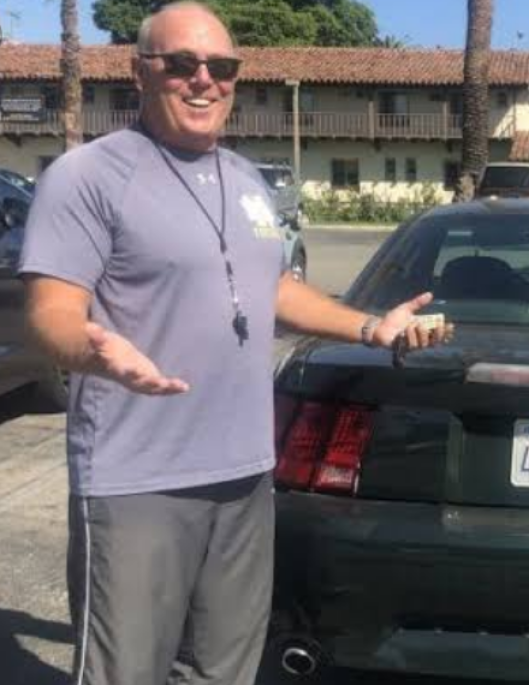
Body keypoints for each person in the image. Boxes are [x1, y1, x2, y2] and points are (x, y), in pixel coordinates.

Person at [18, 3, 450, 684]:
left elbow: (273, 288)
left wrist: (370, 326)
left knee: (224, 670)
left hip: (245, 473)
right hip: (138, 479)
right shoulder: (88, 177)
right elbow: (48, 314)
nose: (203, 80)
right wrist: (93, 348)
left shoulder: (246, 179)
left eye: (221, 67)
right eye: (182, 64)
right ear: (140, 74)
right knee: (125, 671)